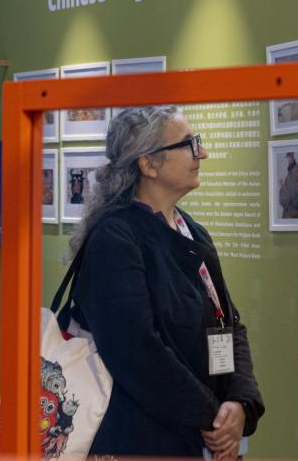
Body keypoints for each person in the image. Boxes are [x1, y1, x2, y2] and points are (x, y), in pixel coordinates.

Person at [68, 105, 264, 458]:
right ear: (148, 164)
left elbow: (229, 324)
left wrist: (240, 402)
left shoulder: (193, 232)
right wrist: (213, 418)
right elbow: (138, 352)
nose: (202, 153)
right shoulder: (115, 239)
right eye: (189, 144)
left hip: (202, 433)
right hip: (144, 441)